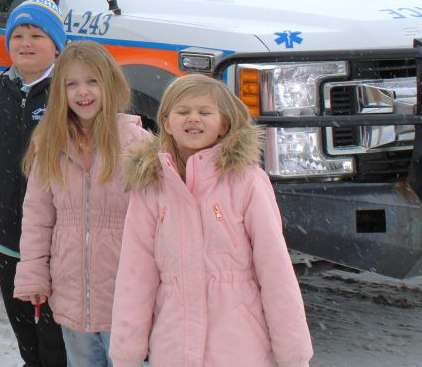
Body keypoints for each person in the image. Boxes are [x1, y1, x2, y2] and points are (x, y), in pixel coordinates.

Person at [109, 75, 314, 367]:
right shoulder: (151, 186)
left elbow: (275, 270)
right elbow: (135, 274)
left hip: (240, 347)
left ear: (224, 124)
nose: (194, 118)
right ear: (166, 122)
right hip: (173, 346)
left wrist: (293, 355)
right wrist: (126, 354)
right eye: (183, 111)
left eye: (205, 112)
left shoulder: (246, 181)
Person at [14, 41, 151, 367]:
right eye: (71, 84)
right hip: (72, 295)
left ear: (110, 84)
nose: (82, 92)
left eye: (92, 81)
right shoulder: (50, 143)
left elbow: (157, 218)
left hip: (127, 297)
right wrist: (34, 274)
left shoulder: (137, 144)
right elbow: (37, 217)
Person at [0, 0, 69, 367]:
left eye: (37, 35)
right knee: (24, 330)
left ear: (57, 45)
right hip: (7, 237)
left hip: (57, 243)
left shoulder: (68, 94)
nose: (25, 43)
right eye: (18, 35)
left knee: (56, 336)